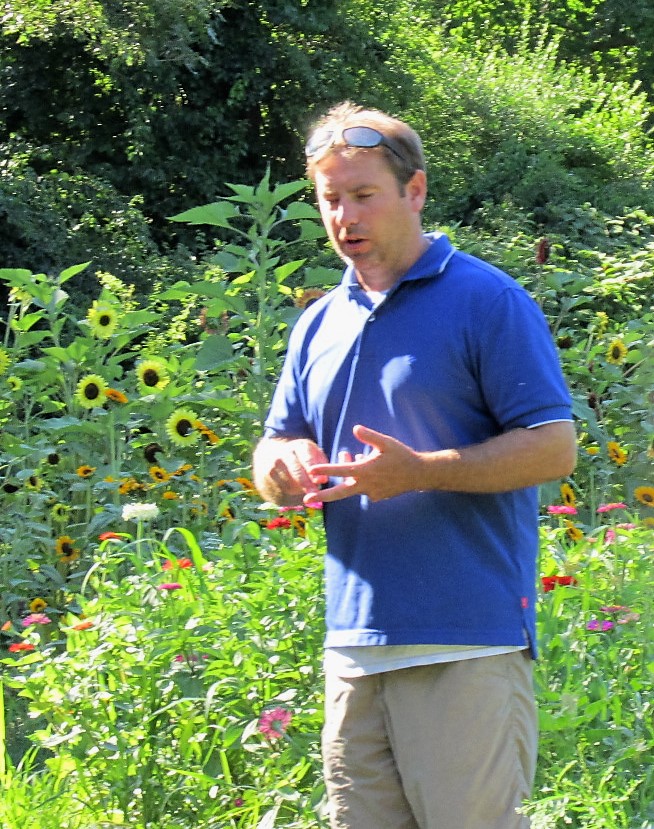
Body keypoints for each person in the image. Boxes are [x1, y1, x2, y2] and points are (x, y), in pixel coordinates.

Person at [252, 101, 577, 829]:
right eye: (331, 199)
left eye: (363, 194)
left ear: (416, 190)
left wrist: (420, 469)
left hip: (464, 640)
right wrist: (281, 467)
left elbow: (554, 446)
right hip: (353, 645)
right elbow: (273, 446)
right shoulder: (317, 323)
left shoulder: (488, 300)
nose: (345, 216)